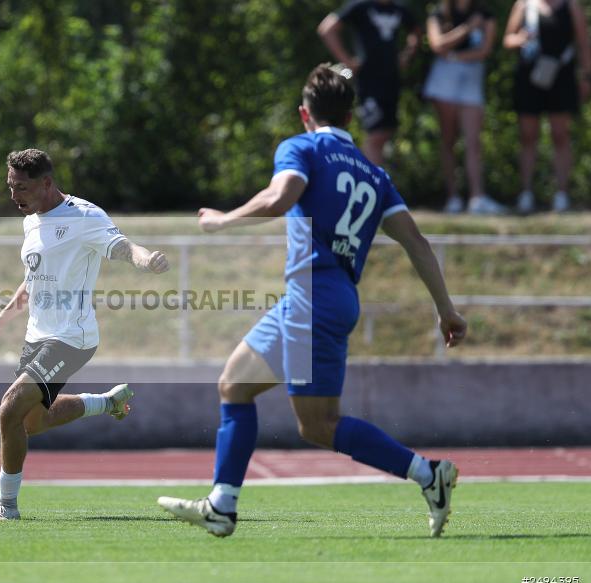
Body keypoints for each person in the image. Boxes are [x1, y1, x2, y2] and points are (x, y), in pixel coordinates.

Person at [158, 65, 467, 538]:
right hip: (329, 296)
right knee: (242, 389)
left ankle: (427, 473)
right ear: (350, 116)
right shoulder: (374, 172)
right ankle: (223, 504)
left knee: (311, 421)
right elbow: (417, 242)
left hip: (311, 296)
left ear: (305, 113)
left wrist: (223, 221)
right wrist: (446, 309)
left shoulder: (301, 147)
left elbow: (281, 197)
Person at [0, 149, 170, 521]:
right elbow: (33, 281)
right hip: (38, 335)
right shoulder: (30, 220)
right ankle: (106, 402)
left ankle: (7, 506)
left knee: (8, 409)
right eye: (10, 186)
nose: (13, 196)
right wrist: (1, 321)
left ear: (46, 183)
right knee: (32, 422)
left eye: (21, 188)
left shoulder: (85, 216)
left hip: (72, 337)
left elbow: (124, 247)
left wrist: (146, 261)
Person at [504, 0, 591, 214]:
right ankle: (526, 193)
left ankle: (561, 194)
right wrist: (520, 40)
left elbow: (583, 42)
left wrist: (587, 77)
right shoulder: (524, 5)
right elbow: (507, 39)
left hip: (561, 75)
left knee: (560, 134)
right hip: (529, 76)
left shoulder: (571, 6)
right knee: (527, 135)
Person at [424, 1, 508, 215]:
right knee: (449, 139)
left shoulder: (485, 13)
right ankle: (452, 197)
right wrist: (467, 29)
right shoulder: (439, 14)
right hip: (445, 79)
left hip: (472, 78)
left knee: (473, 141)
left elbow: (485, 50)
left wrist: (454, 55)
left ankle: (477, 197)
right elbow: (437, 45)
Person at [318, 0, 420, 166]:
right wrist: (347, 61)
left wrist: (407, 55)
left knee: (386, 130)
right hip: (369, 82)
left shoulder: (399, 8)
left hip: (392, 81)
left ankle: (375, 178)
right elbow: (326, 29)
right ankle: (371, 182)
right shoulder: (360, 6)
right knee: (375, 134)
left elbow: (415, 31)